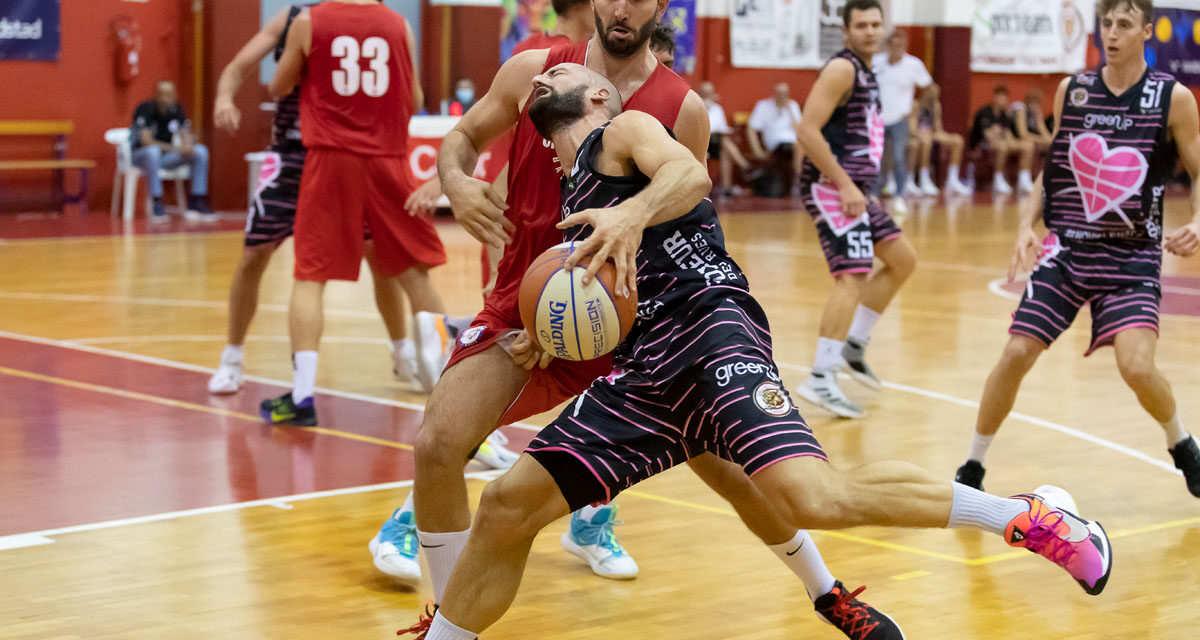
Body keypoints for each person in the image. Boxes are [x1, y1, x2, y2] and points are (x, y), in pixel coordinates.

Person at [411, 57, 1113, 640]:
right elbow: (610, 299)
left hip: (711, 329)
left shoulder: (624, 129)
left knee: (808, 494)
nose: (542, 76)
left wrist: (630, 213)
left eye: (559, 70)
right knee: (507, 507)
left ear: (596, 93)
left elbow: (690, 177)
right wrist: (549, 331)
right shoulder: (574, 189)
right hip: (646, 372)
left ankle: (1027, 515)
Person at [389, 3, 902, 637]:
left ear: (661, 5)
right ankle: (446, 617)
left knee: (736, 472)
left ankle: (828, 594)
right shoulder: (537, 72)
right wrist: (457, 181)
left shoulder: (680, 107)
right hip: (532, 302)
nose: (625, 6)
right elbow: (463, 135)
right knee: (439, 441)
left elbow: (687, 210)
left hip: (639, 320)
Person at [955, 0, 1200, 499]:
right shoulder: (1075, 89)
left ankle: (1183, 445)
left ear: (1146, 31)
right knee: (1016, 351)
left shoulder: (1173, 98)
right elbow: (1054, 169)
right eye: (1105, 23)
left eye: (1124, 24)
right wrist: (1026, 224)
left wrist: (1198, 219)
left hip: (1131, 256)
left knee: (1136, 365)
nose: (1111, 33)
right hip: (1067, 250)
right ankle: (973, 465)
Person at [206, 3, 450, 397]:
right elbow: (238, 68)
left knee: (379, 255)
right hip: (293, 154)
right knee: (255, 253)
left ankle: (401, 350)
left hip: (337, 153)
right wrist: (222, 99)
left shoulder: (351, 23)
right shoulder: (294, 19)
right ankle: (232, 357)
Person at [793, 0, 917, 419]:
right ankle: (821, 377)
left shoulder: (868, 69)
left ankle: (854, 344)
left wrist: (861, 186)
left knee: (902, 259)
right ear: (846, 31)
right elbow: (807, 130)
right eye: (861, 25)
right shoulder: (842, 69)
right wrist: (846, 184)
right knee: (853, 275)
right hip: (832, 187)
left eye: (875, 24)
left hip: (858, 189)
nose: (869, 31)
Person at [131, 80, 213, 221]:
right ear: (155, 95)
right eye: (161, 94)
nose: (164, 98)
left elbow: (185, 134)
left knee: (200, 151)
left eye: (168, 95)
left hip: (165, 158)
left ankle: (197, 201)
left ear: (174, 95)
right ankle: (157, 202)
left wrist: (188, 145)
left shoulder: (177, 110)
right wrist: (174, 148)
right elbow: (146, 141)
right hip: (140, 157)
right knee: (153, 151)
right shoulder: (145, 109)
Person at [871, 29, 930, 197]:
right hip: (878, 119)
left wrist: (916, 107)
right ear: (888, 44)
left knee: (898, 158)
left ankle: (899, 195)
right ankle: (875, 194)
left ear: (905, 46)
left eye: (900, 44)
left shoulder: (914, 64)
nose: (896, 47)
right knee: (877, 158)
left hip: (900, 119)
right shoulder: (877, 62)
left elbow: (930, 88)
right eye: (893, 44)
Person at [907, 83, 973, 197]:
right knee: (925, 141)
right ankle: (923, 178)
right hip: (917, 135)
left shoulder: (936, 106)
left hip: (931, 134)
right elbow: (912, 129)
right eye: (932, 92)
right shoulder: (916, 105)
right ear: (925, 91)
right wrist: (922, 133)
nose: (934, 95)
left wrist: (937, 135)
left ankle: (952, 179)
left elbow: (938, 129)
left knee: (958, 140)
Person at [699, 80, 761, 197]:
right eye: (704, 93)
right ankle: (746, 167)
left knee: (725, 149)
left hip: (716, 141)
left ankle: (726, 188)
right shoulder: (695, 106)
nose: (707, 96)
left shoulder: (717, 109)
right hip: (701, 142)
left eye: (709, 93)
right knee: (725, 144)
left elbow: (722, 127)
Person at [969, 85, 1035, 195]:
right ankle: (998, 179)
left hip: (1001, 142)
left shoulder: (1004, 114)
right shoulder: (984, 111)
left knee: (1027, 146)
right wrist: (1004, 139)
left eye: (1005, 97)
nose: (1004, 100)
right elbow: (987, 135)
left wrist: (1011, 141)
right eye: (1001, 97)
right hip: (981, 145)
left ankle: (1024, 180)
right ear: (995, 97)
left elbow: (1008, 133)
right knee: (1002, 146)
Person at [747, 82, 804, 196]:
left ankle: (800, 180)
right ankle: (799, 181)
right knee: (798, 146)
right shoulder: (764, 106)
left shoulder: (793, 106)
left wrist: (790, 112)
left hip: (794, 144)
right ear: (774, 93)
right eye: (779, 93)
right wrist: (757, 150)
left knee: (803, 146)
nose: (782, 96)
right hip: (775, 144)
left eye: (784, 93)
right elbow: (751, 129)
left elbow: (800, 131)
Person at [1011, 88, 1054, 153]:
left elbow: (1043, 131)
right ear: (1028, 102)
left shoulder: (1036, 112)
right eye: (1034, 103)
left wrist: (1049, 140)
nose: (1036, 106)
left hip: (1026, 138)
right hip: (1011, 137)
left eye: (1038, 103)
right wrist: (1042, 140)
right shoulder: (1020, 109)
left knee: (1048, 144)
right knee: (1029, 146)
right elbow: (1023, 134)